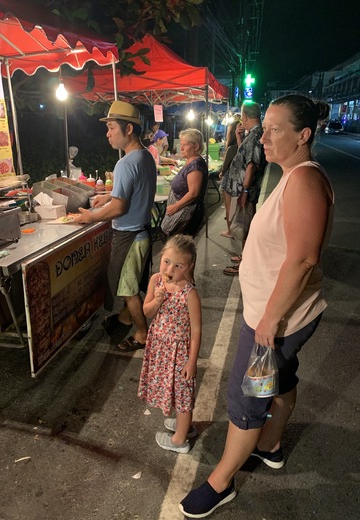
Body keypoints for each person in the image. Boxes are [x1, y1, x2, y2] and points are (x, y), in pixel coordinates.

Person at [179, 94, 334, 518]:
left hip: (276, 320)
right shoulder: (292, 174)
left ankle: (220, 483)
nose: (261, 136)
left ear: (303, 135)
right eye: (262, 127)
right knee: (280, 383)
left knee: (247, 399)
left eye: (274, 129)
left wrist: (269, 319)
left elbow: (304, 258)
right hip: (276, 315)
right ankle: (270, 445)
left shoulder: (304, 179)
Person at [74, 100, 157, 352]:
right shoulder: (145, 156)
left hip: (129, 236)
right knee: (129, 283)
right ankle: (123, 318)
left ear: (128, 129)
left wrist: (91, 216)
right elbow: (133, 190)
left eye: (111, 127)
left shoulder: (125, 163)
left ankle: (143, 334)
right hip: (142, 233)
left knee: (128, 289)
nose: (107, 133)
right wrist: (108, 196)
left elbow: (120, 209)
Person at [138, 234, 202, 453]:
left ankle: (179, 440)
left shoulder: (189, 294)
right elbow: (146, 312)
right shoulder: (156, 280)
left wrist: (192, 361)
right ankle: (183, 425)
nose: (170, 269)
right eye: (166, 262)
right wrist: (157, 299)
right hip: (160, 348)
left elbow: (196, 330)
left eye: (178, 265)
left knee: (183, 393)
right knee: (172, 389)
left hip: (180, 352)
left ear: (189, 266)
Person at [222, 102, 267, 275]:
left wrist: (245, 191)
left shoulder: (256, 135)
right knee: (242, 223)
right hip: (242, 188)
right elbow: (245, 157)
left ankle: (245, 264)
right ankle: (245, 256)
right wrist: (239, 138)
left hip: (244, 189)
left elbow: (251, 165)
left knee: (244, 224)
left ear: (245, 116)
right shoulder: (253, 135)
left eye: (242, 115)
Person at [161, 128, 208, 237]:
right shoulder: (191, 160)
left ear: (196, 146)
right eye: (181, 144)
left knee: (181, 247)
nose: (181, 148)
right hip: (182, 210)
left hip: (187, 213)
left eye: (185, 145)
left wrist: (175, 207)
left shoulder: (196, 165)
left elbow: (193, 194)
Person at [218, 120, 241, 238]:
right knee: (236, 206)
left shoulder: (232, 148)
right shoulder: (241, 146)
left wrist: (221, 173)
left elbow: (225, 166)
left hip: (228, 179)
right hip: (239, 179)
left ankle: (230, 231)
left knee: (229, 207)